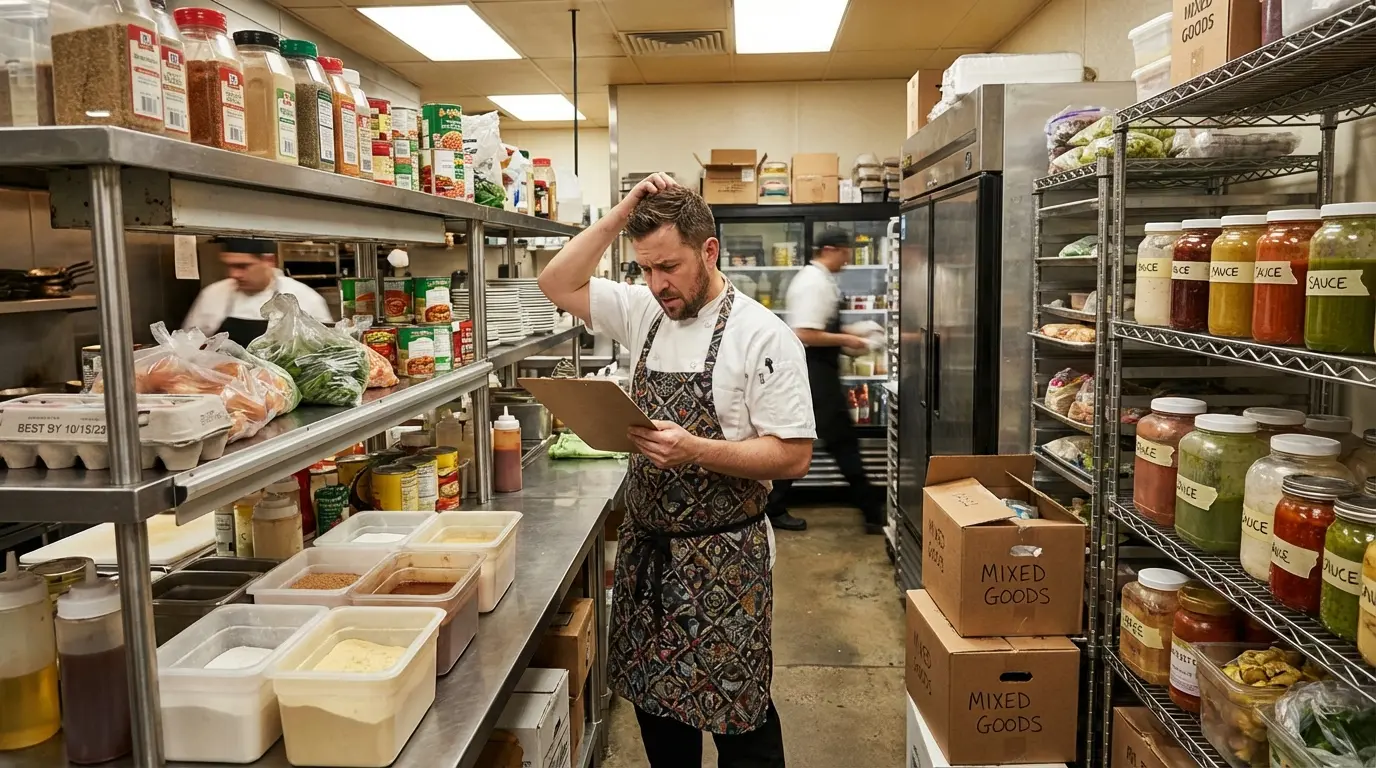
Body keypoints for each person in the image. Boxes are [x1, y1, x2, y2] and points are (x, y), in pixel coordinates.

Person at [539, 175, 814, 768]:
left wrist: (696, 450)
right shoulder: (645, 312)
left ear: (709, 251)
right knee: (659, 717)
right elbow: (555, 281)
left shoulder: (762, 335)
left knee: (741, 722)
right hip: (648, 556)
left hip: (725, 562)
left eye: (669, 266)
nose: (657, 283)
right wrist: (622, 213)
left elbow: (793, 454)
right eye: (644, 268)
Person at [764, 228, 884, 534]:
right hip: (814, 373)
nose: (847, 260)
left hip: (820, 372)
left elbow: (821, 327)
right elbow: (805, 333)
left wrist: (856, 331)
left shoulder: (821, 280)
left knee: (815, 439)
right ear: (829, 250)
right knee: (839, 442)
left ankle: (773, 505)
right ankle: (872, 510)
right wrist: (849, 339)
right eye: (844, 253)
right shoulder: (813, 283)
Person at [182, 238, 332, 344]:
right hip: (225, 378)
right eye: (229, 266)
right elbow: (186, 346)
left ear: (269, 261)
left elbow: (326, 352)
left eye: (242, 266)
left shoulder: (305, 298)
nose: (234, 274)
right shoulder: (212, 295)